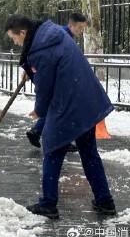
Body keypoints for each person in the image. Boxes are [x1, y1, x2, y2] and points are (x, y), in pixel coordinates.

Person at [5, 14, 116, 219]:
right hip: (86, 100)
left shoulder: (40, 48)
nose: (15, 42)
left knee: (52, 150)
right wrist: (33, 71)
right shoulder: (51, 34)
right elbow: (53, 67)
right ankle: (105, 201)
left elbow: (45, 86)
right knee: (89, 153)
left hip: (69, 104)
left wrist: (39, 110)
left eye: (14, 38)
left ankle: (48, 204)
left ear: (23, 32)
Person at [26, 12, 87, 150]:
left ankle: (37, 131)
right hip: (57, 80)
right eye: (80, 28)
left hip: (57, 79)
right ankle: (61, 141)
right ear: (71, 25)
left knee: (55, 108)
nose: (82, 31)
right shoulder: (61, 36)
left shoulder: (63, 34)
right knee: (60, 110)